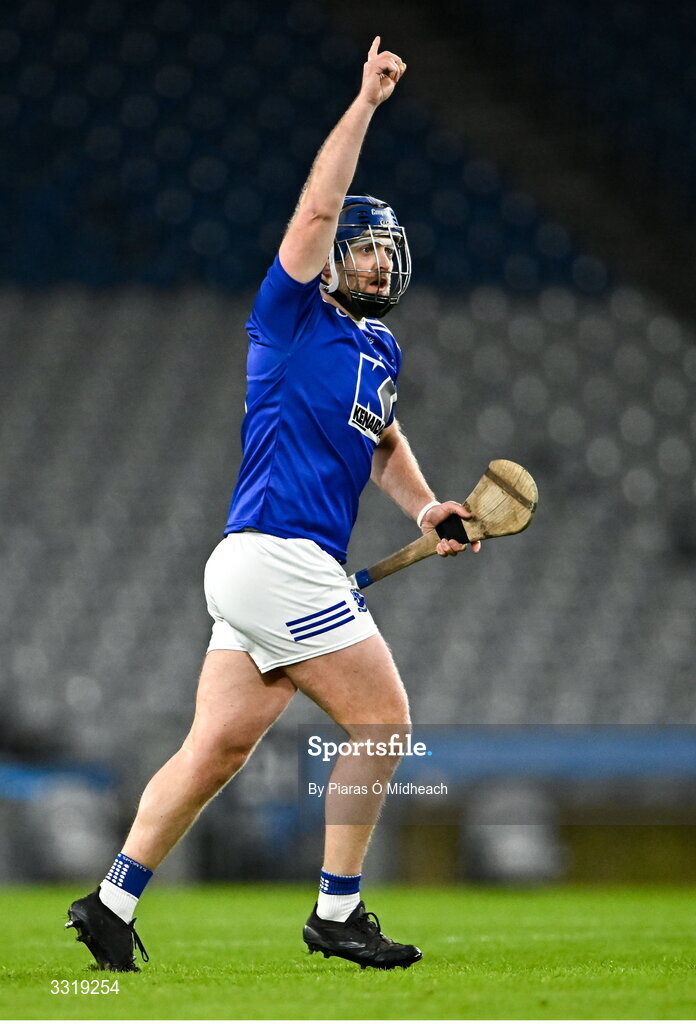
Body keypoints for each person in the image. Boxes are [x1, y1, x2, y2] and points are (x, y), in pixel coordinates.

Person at [65, 35, 480, 974]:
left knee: (216, 747)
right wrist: (368, 103)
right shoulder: (288, 311)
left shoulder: (383, 354)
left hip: (271, 568)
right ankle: (339, 913)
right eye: (362, 251)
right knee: (385, 725)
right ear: (330, 257)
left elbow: (382, 441)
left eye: (384, 253)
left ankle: (112, 900)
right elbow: (318, 203)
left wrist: (424, 510)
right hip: (277, 556)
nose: (376, 265)